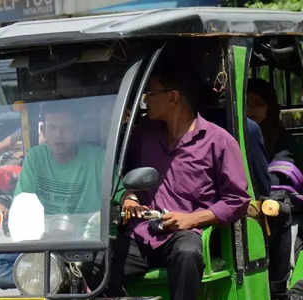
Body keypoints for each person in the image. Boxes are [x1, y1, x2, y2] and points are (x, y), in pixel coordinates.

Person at [104, 70, 250, 300]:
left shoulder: (219, 141)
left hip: (183, 234)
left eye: (151, 93)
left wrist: (191, 219)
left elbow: (238, 200)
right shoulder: (143, 135)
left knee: (188, 253)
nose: (146, 100)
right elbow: (121, 173)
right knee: (97, 262)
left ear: (173, 97)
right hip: (141, 233)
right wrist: (129, 196)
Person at [0, 101, 110, 289]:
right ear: (44, 131)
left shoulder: (98, 158)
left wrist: (130, 200)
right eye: (53, 128)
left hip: (84, 245)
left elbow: (121, 194)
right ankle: (56, 276)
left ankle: (57, 276)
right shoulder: (35, 157)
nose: (59, 135)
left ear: (78, 130)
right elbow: (23, 201)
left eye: (67, 128)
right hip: (44, 243)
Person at [247, 78, 297, 300]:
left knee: (278, 210)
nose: (250, 109)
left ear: (270, 107)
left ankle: (277, 288)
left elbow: (278, 177)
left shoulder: (283, 139)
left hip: (279, 200)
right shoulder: (237, 133)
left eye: (257, 103)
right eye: (246, 103)